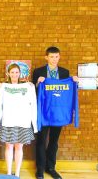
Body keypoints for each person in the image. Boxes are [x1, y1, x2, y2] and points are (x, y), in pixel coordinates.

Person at [33, 46, 78, 179]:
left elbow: (68, 91)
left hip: (58, 113)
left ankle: (51, 167)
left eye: (56, 56)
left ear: (59, 57)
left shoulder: (65, 72)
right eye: (51, 57)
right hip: (43, 112)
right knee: (41, 141)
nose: (54, 59)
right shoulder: (38, 71)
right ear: (46, 57)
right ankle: (40, 169)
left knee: (54, 141)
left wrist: (74, 82)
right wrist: (37, 83)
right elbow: (33, 91)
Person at [0, 63, 37, 178]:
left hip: (23, 122)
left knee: (19, 147)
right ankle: (8, 172)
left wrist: (34, 123)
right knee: (8, 147)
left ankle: (17, 173)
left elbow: (33, 104)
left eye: (16, 72)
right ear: (8, 73)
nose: (14, 74)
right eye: (12, 72)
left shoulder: (28, 86)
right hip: (8, 121)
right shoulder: (3, 86)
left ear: (19, 73)